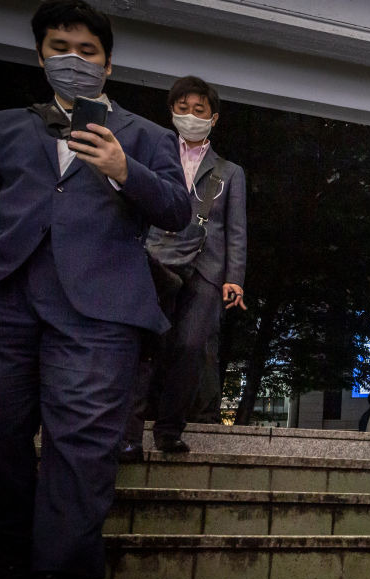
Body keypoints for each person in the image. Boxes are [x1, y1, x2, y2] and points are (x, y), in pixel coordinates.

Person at [0, 0, 190, 579]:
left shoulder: (146, 135)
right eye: (59, 47)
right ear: (40, 54)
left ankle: (56, 575)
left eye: (86, 51)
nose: (72, 60)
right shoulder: (3, 125)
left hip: (99, 307)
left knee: (81, 442)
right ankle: (8, 559)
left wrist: (122, 169)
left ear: (108, 63)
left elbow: (177, 212)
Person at [120, 75, 247, 457]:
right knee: (144, 346)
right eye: (183, 108)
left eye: (199, 110)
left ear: (213, 118)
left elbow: (236, 230)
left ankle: (169, 430)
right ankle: (128, 434)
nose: (190, 116)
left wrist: (234, 278)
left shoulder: (230, 172)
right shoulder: (153, 155)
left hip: (207, 268)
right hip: (155, 260)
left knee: (191, 347)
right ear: (171, 111)